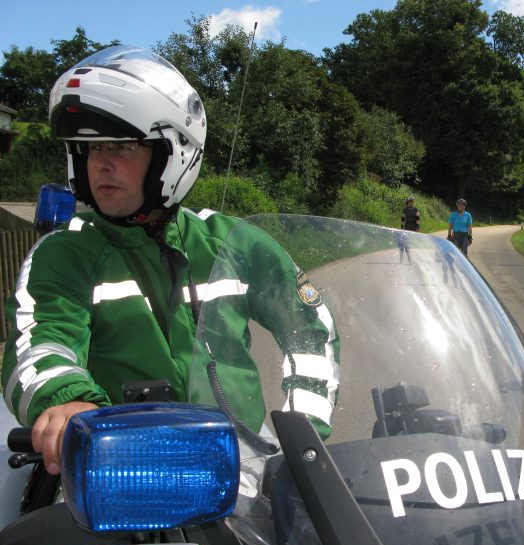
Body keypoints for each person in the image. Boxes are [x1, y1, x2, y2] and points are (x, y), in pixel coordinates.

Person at [1, 46, 340, 475]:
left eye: (123, 146)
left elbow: (309, 331)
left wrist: (303, 433)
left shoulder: (233, 242)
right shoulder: (64, 253)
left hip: (241, 460)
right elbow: (41, 341)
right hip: (118, 466)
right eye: (90, 148)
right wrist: (68, 400)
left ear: (173, 155)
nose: (101, 163)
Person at [398, 195, 419, 263]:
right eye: (410, 201)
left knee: (411, 242)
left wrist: (417, 227)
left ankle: (412, 258)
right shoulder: (404, 210)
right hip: (407, 227)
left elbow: (417, 219)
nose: (411, 202)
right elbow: (402, 219)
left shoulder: (416, 209)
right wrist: (402, 228)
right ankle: (404, 258)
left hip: (413, 227)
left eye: (412, 201)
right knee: (404, 242)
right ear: (407, 202)